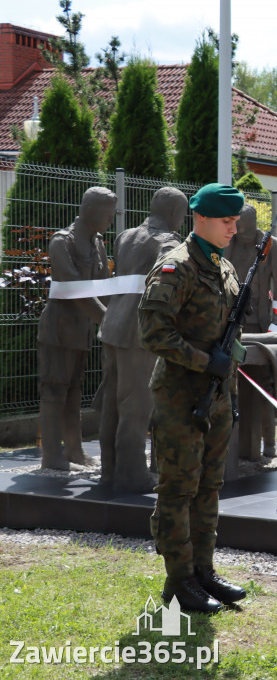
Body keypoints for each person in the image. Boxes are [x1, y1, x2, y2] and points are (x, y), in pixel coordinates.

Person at [138, 183, 249, 613]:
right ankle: (180, 579)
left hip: (217, 397)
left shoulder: (224, 267)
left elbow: (230, 337)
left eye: (236, 220)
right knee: (178, 488)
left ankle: (204, 570)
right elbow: (153, 333)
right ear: (200, 218)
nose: (234, 228)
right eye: (227, 220)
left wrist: (228, 385)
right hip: (181, 397)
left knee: (209, 486)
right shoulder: (176, 267)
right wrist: (206, 363)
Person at [97, 187, 185, 492]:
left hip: (112, 326)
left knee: (112, 403)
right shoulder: (168, 242)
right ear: (175, 213)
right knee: (136, 405)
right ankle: (131, 474)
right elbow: (169, 283)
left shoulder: (126, 236)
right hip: (139, 332)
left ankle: (109, 470)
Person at [37, 186, 117, 470]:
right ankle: (51, 456)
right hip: (59, 330)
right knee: (54, 391)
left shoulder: (98, 244)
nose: (111, 219)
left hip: (81, 332)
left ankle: (74, 451)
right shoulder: (62, 242)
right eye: (108, 214)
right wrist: (108, 320)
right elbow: (74, 289)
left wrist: (121, 315)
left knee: (73, 393)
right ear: (91, 210)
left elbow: (104, 288)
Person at [225, 204, 277, 458]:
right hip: (234, 323)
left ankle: (270, 443)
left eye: (249, 229)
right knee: (233, 386)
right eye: (240, 229)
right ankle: (234, 445)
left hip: (262, 325)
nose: (245, 234)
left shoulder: (271, 246)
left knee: (265, 387)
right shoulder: (228, 244)